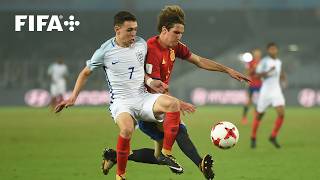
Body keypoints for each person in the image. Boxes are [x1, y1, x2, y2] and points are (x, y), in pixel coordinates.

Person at [102, 6, 250, 180]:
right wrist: (178, 103)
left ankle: (114, 155)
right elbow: (153, 89)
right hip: (144, 104)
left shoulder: (174, 47)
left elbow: (199, 60)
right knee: (179, 131)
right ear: (164, 30)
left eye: (181, 33)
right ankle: (201, 165)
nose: (179, 37)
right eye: (176, 32)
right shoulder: (151, 49)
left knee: (158, 157)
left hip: (156, 103)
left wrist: (227, 70)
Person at [55, 11, 186, 180]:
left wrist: (151, 82)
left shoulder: (141, 44)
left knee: (173, 104)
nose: (134, 34)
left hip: (142, 97)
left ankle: (166, 154)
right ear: (117, 30)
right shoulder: (104, 52)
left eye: (135, 30)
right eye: (129, 30)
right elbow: (85, 73)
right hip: (121, 102)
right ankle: (121, 176)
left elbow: (141, 70)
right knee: (126, 129)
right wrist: (73, 97)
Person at [251, 42, 287, 149]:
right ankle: (253, 137)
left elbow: (280, 72)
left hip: (276, 91)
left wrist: (283, 78)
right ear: (268, 50)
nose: (273, 51)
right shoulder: (264, 62)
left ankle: (273, 136)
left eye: (274, 49)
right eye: (271, 49)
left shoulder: (278, 62)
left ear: (277, 50)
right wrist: (267, 72)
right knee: (259, 115)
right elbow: (256, 76)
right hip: (265, 91)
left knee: (281, 114)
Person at [241, 49, 262, 124]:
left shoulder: (262, 63)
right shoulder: (250, 63)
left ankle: (257, 115)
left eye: (258, 53)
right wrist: (254, 68)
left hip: (261, 84)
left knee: (260, 101)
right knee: (249, 101)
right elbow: (247, 73)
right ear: (254, 54)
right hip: (252, 84)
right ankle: (244, 117)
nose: (257, 55)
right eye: (256, 53)